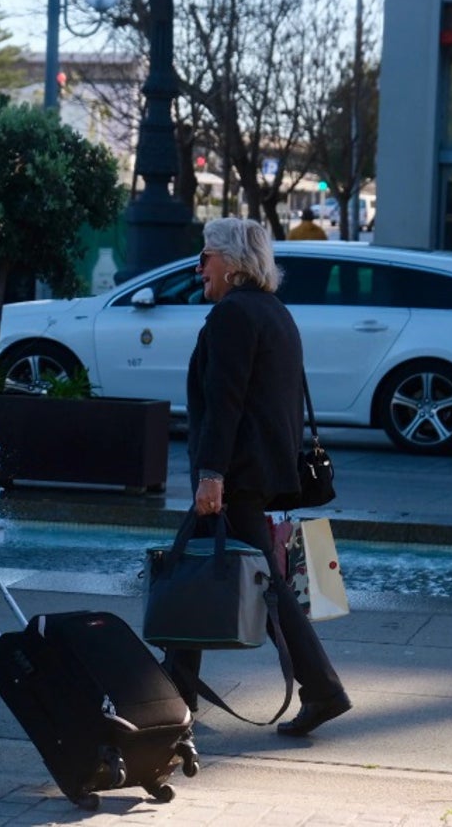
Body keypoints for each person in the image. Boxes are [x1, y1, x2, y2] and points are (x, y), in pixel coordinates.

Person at [166, 217, 351, 737]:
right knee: (200, 570)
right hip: (259, 470)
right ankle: (176, 688)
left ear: (233, 262)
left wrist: (211, 474)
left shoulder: (232, 316)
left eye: (207, 255)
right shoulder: (273, 311)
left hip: (235, 475)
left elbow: (226, 403)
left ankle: (322, 688)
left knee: (259, 583)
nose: (199, 266)